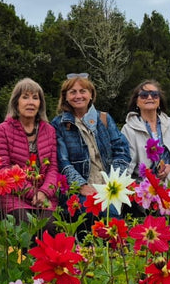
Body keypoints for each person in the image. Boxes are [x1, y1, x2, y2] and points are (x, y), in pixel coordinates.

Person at [52, 74, 131, 202]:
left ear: (91, 95)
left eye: (83, 91)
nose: (78, 96)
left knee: (113, 212)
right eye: (73, 92)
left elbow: (121, 151)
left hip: (109, 187)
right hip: (79, 192)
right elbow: (62, 161)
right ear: (65, 97)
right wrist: (81, 185)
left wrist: (113, 182)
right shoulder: (58, 124)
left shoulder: (104, 119)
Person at [0, 78, 61, 225]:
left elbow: (53, 168)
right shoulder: (3, 129)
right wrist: (33, 193)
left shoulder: (49, 130)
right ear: (16, 102)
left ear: (40, 104)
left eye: (35, 98)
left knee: (51, 226)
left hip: (44, 196)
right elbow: (4, 169)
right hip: (15, 197)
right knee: (24, 225)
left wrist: (44, 192)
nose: (31, 102)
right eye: (25, 97)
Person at [121, 79, 170, 212]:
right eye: (144, 95)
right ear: (137, 101)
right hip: (145, 189)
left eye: (154, 95)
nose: (150, 97)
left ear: (159, 100)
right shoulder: (129, 129)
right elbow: (127, 163)